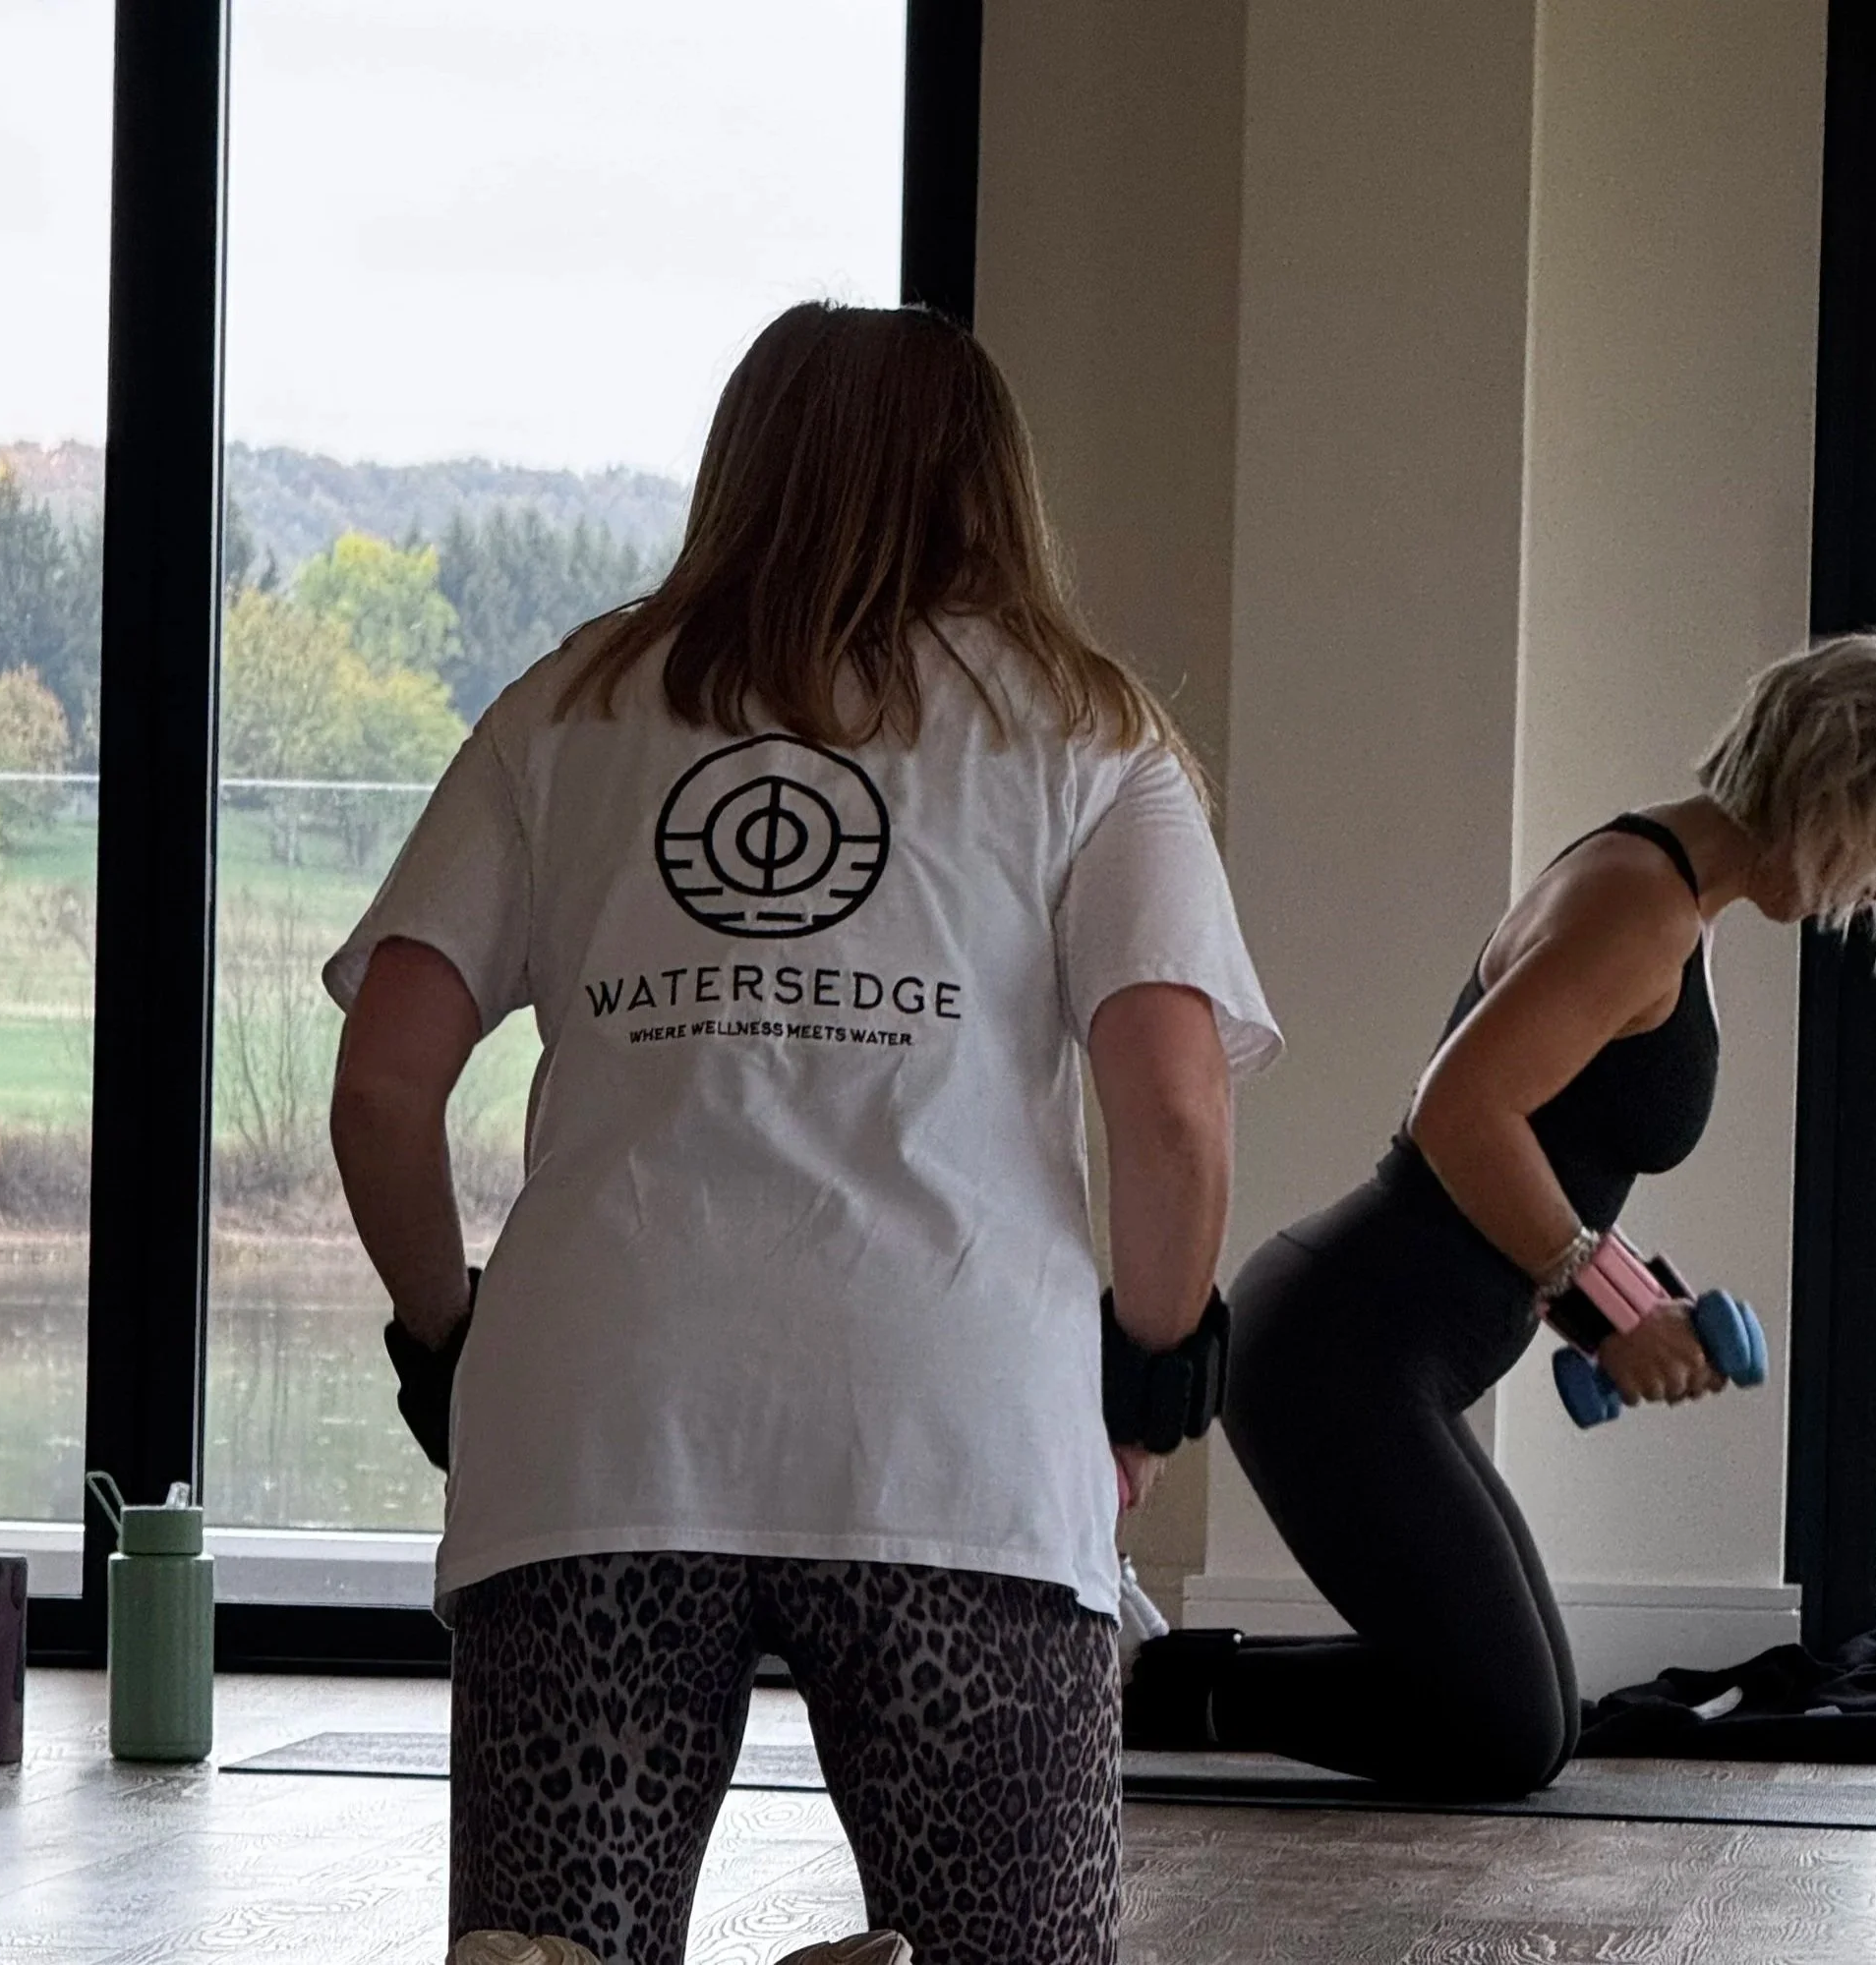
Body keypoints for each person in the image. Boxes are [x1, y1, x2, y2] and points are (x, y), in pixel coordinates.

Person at [325, 301, 1279, 1965]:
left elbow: (383, 1086)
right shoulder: (1085, 729)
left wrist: (446, 1335)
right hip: (958, 1435)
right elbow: (1174, 1109)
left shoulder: (563, 707)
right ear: (991, 480)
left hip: (595, 1428)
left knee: (553, 1953)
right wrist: (1150, 1366)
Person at [1125, 636, 1876, 1800]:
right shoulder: (1642, 904)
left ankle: (1149, 1680)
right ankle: (1134, 1687)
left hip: (1382, 1354)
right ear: (1841, 797)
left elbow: (1545, 1150)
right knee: (1508, 1731)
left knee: (1533, 1710)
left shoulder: (1672, 895)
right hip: (1339, 1355)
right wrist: (1588, 1281)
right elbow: (1457, 1112)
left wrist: (1626, 1309)